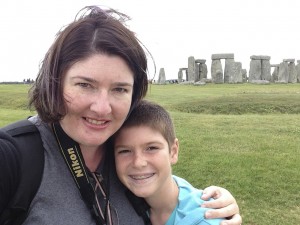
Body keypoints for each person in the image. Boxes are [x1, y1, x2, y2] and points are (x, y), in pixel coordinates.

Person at [0, 5, 241, 225]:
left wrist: (206, 205)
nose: (103, 108)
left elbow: (163, 188)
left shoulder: (124, 152)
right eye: (85, 85)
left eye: (119, 89)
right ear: (55, 83)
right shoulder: (12, 158)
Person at [113, 100, 228, 225]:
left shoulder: (206, 220)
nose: (138, 163)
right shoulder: (118, 195)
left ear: (173, 152)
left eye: (151, 148)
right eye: (125, 151)